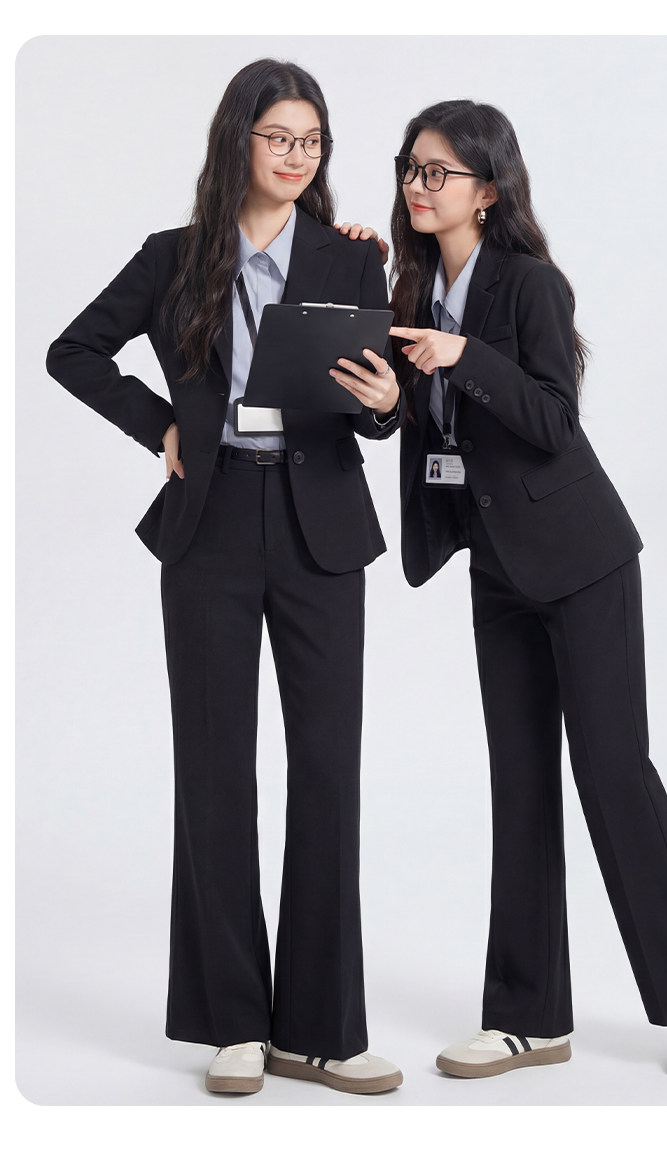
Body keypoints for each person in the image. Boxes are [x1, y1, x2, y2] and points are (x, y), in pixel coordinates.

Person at [46, 58, 404, 1097]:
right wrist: (160, 425)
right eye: (279, 137)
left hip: (319, 528)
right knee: (214, 771)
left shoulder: (350, 257)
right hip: (208, 527)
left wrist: (386, 403)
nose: (297, 156)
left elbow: (375, 413)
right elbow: (73, 351)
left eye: (312, 141)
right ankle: (233, 1022)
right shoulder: (174, 256)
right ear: (237, 138)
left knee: (328, 771)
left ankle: (322, 1030)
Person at [388, 99, 667, 1081]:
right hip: (496, 566)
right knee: (519, 781)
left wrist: (467, 356)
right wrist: (387, 395)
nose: (418, 185)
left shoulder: (529, 284)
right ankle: (527, 1014)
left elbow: (552, 419)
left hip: (583, 561)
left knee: (610, 768)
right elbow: (418, 423)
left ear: (488, 189)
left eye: (438, 171)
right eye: (410, 167)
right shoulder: (412, 290)